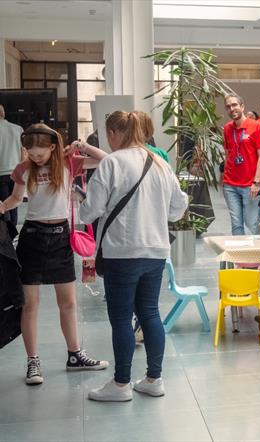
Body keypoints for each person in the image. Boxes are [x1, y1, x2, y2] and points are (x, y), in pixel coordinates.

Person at [79, 111, 188, 402]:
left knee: (121, 318)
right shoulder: (160, 163)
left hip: (121, 253)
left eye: (108, 134)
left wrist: (81, 201)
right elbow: (178, 208)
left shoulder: (112, 163)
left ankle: (120, 384)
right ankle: (154, 379)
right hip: (155, 251)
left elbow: (91, 211)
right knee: (150, 313)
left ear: (115, 133)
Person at [0, 123, 108, 385]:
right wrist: (2, 205)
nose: (35, 158)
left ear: (52, 147)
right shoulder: (24, 170)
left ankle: (74, 355)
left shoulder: (69, 163)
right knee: (30, 305)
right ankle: (33, 362)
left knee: (68, 303)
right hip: (33, 237)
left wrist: (81, 146)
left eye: (40, 153)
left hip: (61, 236)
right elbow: (16, 198)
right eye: (30, 153)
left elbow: (106, 160)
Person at [222, 94, 260, 235]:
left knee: (252, 223)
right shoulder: (227, 128)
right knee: (236, 224)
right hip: (230, 184)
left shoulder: (256, 127)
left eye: (234, 105)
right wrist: (224, 176)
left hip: (250, 185)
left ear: (242, 106)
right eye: (228, 106)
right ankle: (238, 257)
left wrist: (256, 182)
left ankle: (258, 256)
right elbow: (228, 153)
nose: (232, 108)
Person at [0, 104, 25, 226]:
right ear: (3, 114)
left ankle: (5, 237)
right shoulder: (18, 129)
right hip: (15, 172)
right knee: (14, 202)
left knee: (3, 207)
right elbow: (23, 152)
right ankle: (13, 234)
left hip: (0, 174)